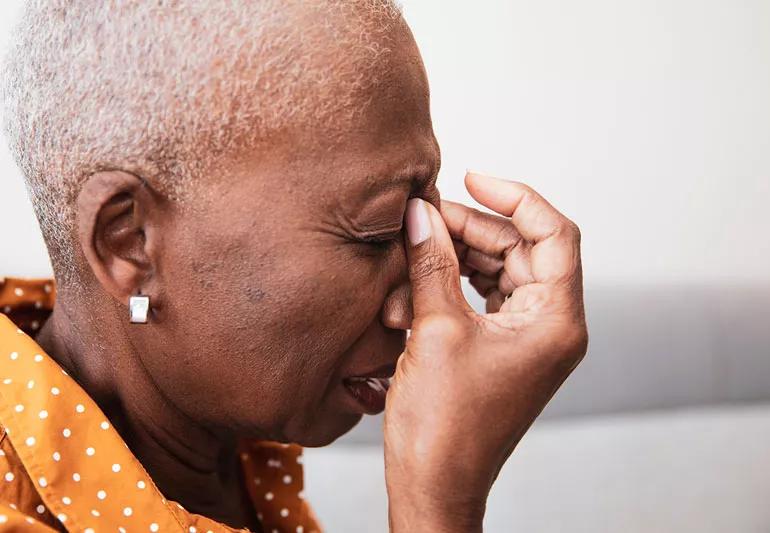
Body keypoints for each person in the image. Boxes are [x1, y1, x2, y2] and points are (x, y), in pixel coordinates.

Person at [0, 1, 588, 531]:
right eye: (381, 231)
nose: (424, 305)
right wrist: (438, 505)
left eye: (422, 222)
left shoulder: (238, 449)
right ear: (129, 242)